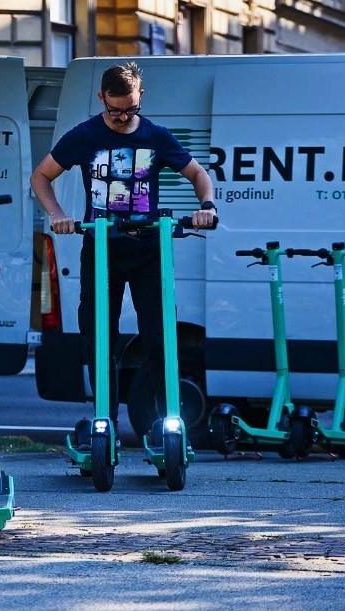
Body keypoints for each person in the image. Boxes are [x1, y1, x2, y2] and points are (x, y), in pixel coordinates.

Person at [29, 61, 216, 428]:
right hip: (102, 251)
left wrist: (206, 205)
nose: (122, 117)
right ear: (101, 98)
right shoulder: (84, 136)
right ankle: (106, 424)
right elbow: (41, 177)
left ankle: (168, 424)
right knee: (100, 341)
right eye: (114, 110)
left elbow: (197, 173)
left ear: (140, 97)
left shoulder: (157, 136)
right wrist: (57, 215)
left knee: (160, 340)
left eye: (130, 109)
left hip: (149, 249)